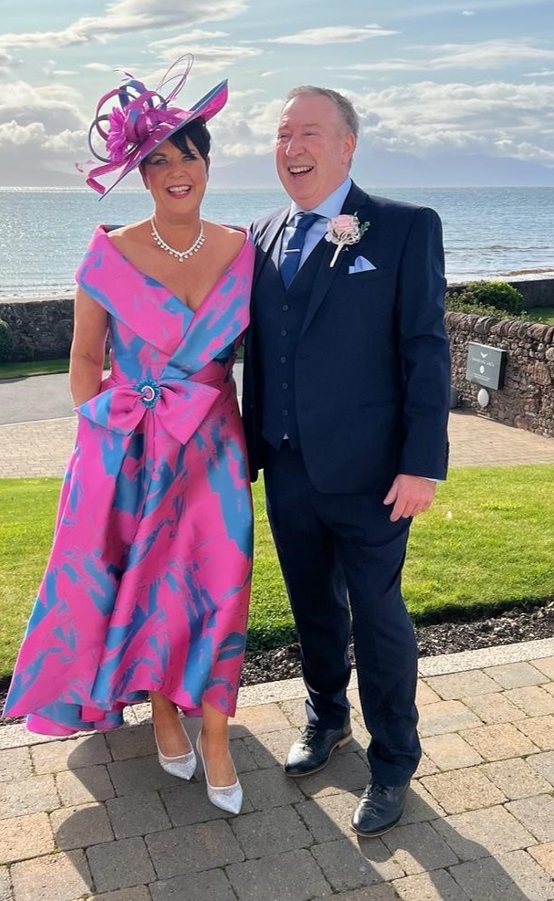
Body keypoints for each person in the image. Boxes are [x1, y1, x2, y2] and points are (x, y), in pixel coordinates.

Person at [4, 57, 254, 815]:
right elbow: (85, 362)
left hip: (214, 454)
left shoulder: (245, 250)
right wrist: (106, 445)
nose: (177, 171)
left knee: (220, 593)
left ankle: (217, 733)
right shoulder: (107, 252)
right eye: (159, 161)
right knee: (145, 592)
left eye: (189, 155)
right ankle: (165, 710)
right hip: (133, 455)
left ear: (208, 163)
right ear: (142, 175)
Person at [242, 85, 450, 836]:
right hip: (287, 466)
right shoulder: (259, 234)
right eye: (281, 133)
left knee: (380, 616)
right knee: (312, 608)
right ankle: (325, 717)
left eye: (308, 133)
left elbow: (426, 349)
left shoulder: (401, 228)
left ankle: (394, 759)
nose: (291, 147)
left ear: (347, 145)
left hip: (374, 477)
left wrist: (423, 463)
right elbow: (258, 350)